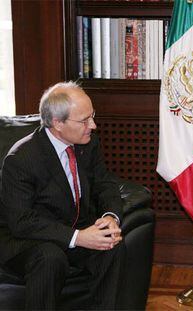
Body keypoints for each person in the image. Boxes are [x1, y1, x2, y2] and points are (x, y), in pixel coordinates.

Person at [0, 81, 126, 309]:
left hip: (72, 228)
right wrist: (78, 237)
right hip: (27, 239)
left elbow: (104, 183)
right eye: (84, 120)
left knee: (110, 246)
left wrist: (110, 217)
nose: (93, 125)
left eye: (92, 116)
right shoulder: (21, 159)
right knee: (50, 257)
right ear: (57, 123)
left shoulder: (87, 143)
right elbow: (21, 222)